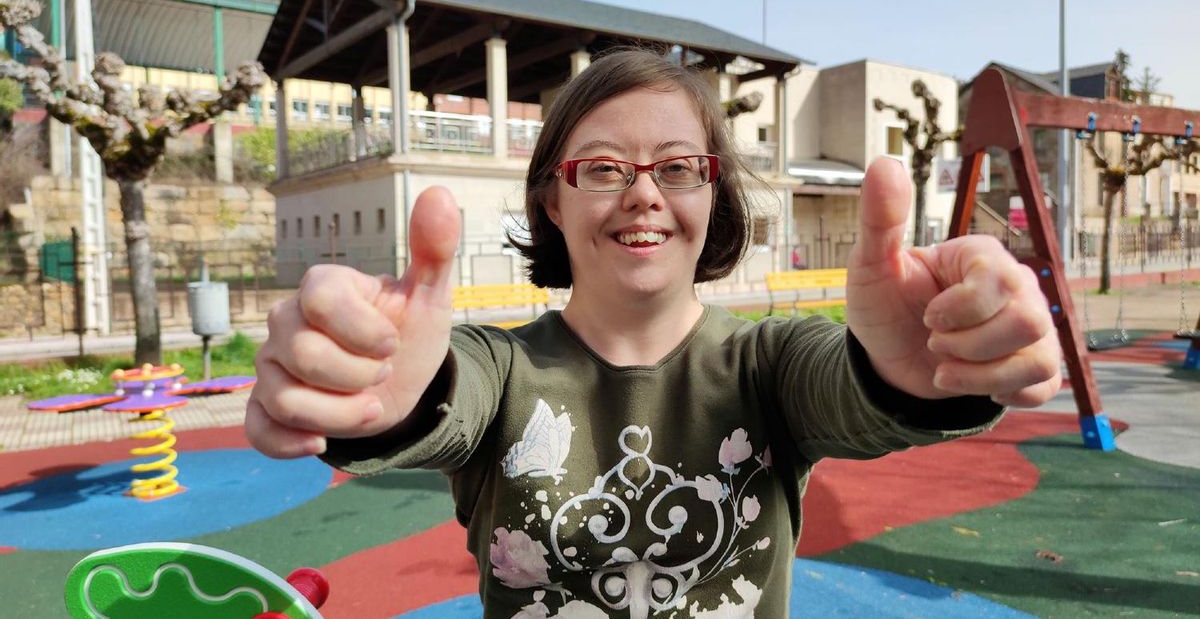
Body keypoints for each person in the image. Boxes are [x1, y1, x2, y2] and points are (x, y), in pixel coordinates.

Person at [246, 49, 1061, 618]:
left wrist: (911, 372)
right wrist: (375, 388)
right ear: (552, 200)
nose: (644, 193)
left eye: (677, 167)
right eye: (604, 168)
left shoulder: (769, 362)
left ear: (713, 195)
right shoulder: (503, 368)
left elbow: (848, 390)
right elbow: (444, 394)